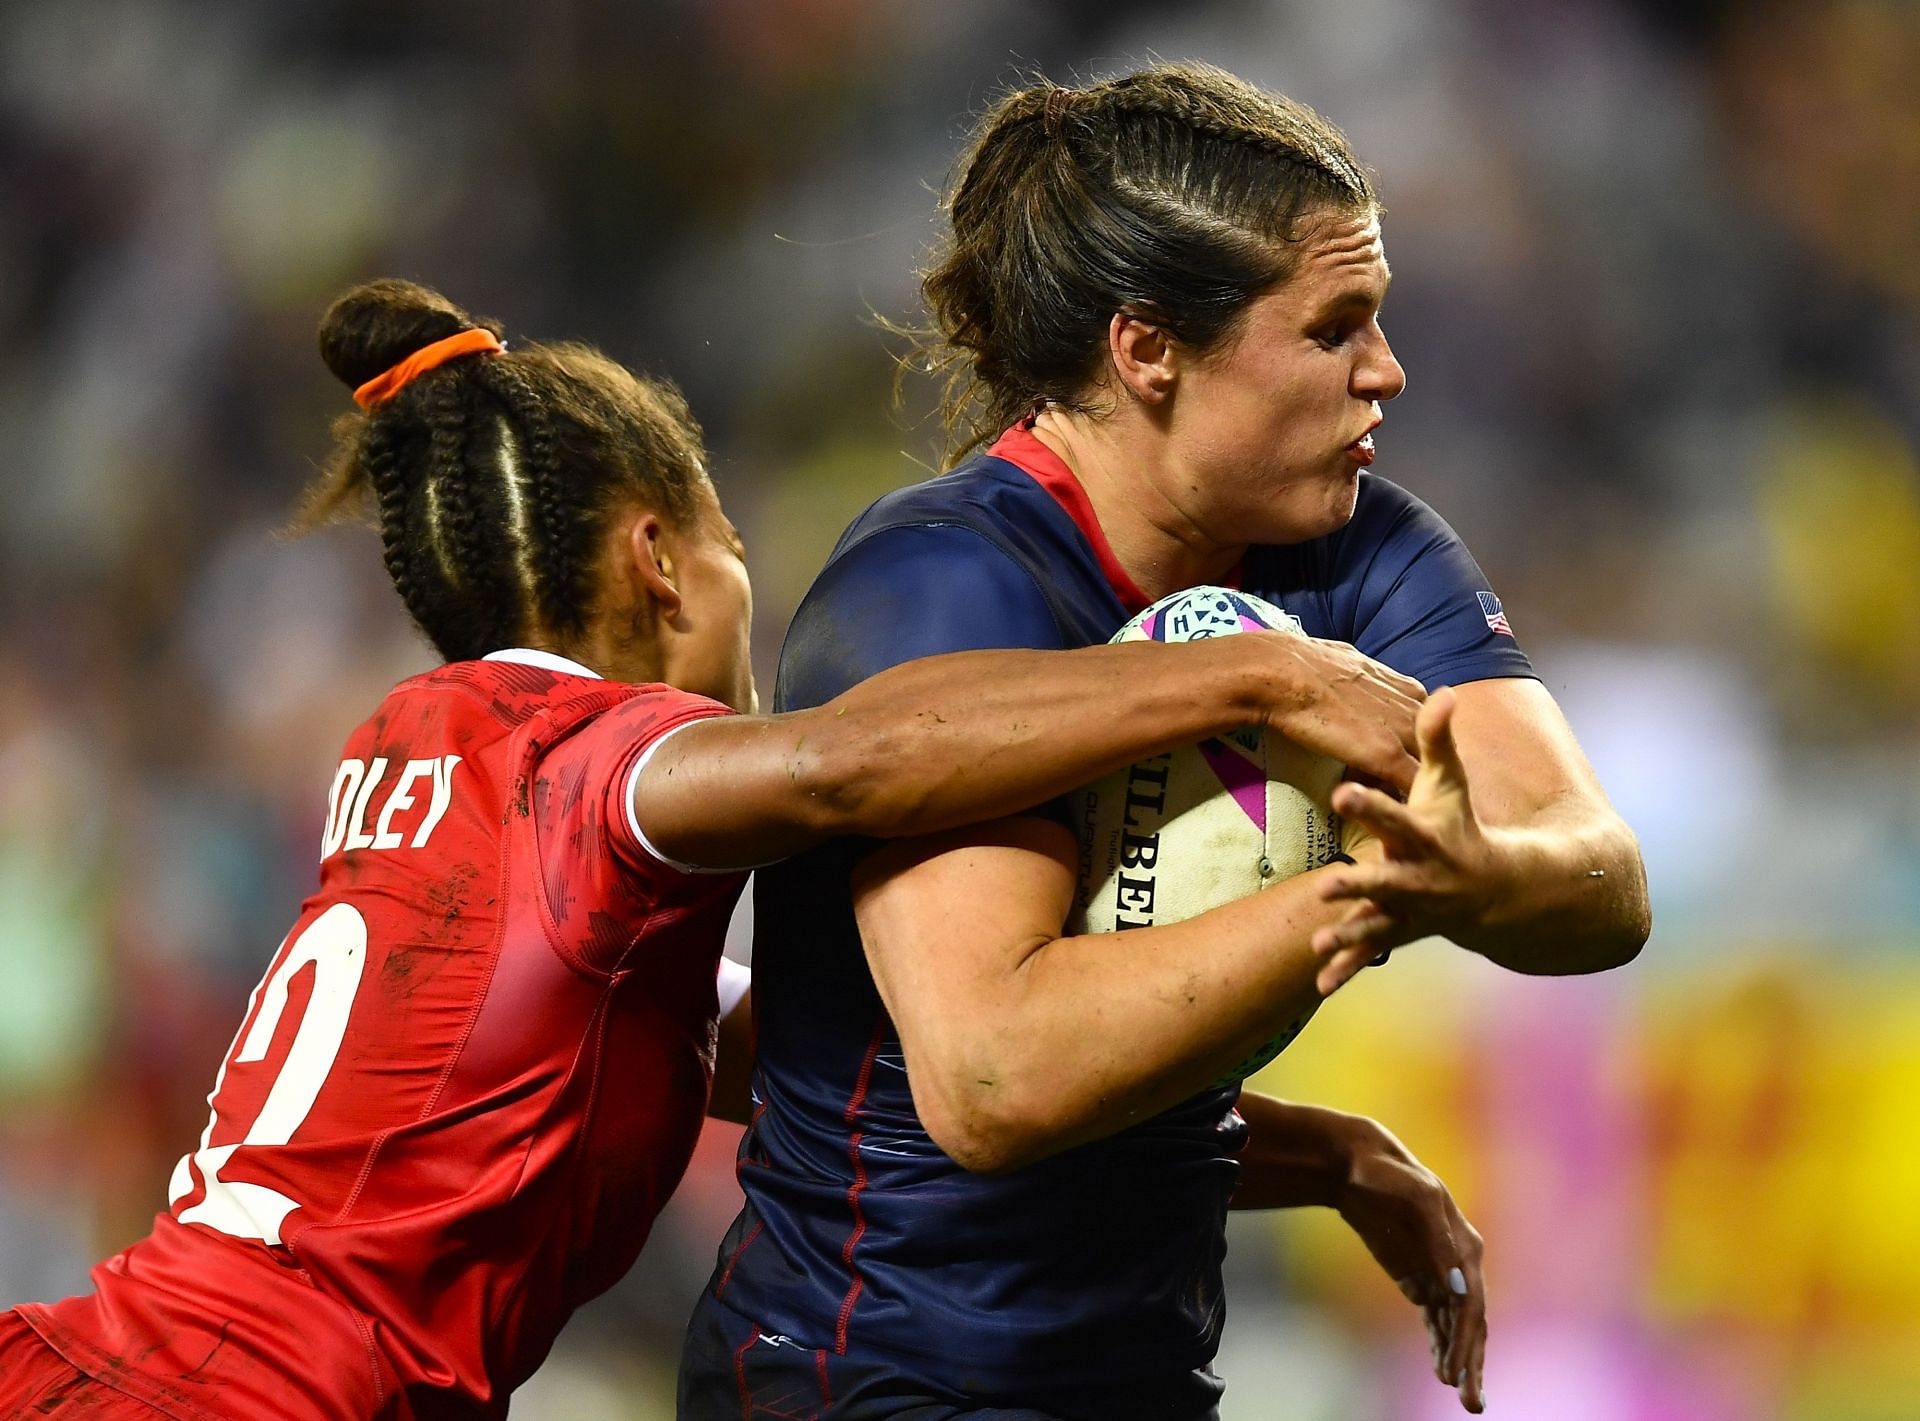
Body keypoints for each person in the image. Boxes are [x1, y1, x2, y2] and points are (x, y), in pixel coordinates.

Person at [0, 279, 1461, 1421]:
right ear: (657, 558)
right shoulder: (592, 762)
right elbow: (851, 762)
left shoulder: (426, 761)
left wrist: (1327, 1155)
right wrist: (1259, 679)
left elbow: (853, 1088)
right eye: (732, 553)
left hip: (109, 1357)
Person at [680, 63, 1651, 1420]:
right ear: (1148, 353)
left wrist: (1481, 882)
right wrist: (1359, 894)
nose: (1390, 369)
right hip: (874, 1373)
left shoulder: (1360, 555)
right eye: (1335, 327)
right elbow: (993, 1077)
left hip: (1136, 1372)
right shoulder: (943, 585)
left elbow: (1597, 871)